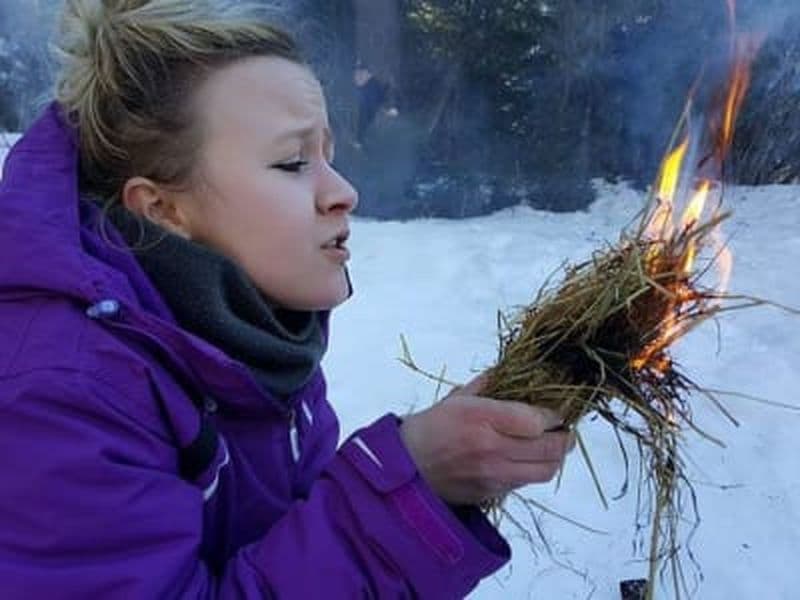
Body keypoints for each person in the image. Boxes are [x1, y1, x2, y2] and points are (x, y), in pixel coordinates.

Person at [0, 1, 573, 597]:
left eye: (330, 156)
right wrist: (409, 490)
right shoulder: (59, 393)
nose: (344, 192)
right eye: (294, 161)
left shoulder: (256, 338)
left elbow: (286, 539)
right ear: (163, 209)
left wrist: (436, 472)